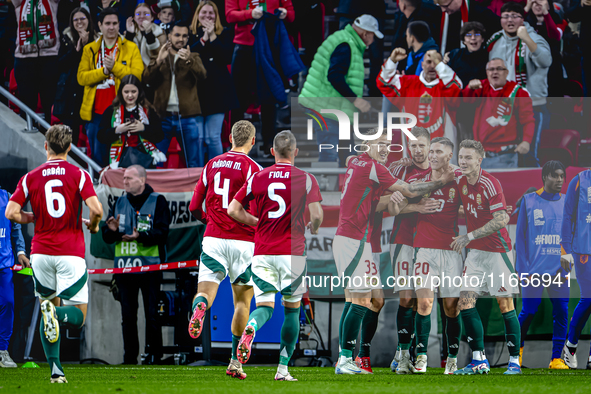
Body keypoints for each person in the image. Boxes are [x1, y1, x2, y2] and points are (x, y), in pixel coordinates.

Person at [334, 131, 455, 374]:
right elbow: (406, 193)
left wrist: (398, 199)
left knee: (372, 299)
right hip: (355, 239)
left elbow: (380, 202)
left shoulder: (362, 163)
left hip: (361, 240)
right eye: (381, 144)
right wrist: (435, 186)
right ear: (367, 144)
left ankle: (354, 357)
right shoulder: (376, 168)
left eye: (389, 145)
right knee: (361, 299)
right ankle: (348, 357)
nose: (387, 149)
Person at [5, 125, 103, 383]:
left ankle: (56, 371)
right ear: (70, 148)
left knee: (47, 304)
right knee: (77, 316)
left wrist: (31, 217)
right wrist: (92, 225)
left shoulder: (30, 177)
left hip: (41, 254)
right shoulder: (78, 174)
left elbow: (11, 213)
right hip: (70, 253)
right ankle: (55, 315)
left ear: (45, 146)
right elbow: (97, 210)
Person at [228, 131, 324, 381]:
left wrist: (256, 223)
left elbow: (233, 209)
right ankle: (282, 369)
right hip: (292, 254)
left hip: (263, 254)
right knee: (292, 311)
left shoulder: (257, 177)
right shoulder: (306, 178)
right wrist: (314, 227)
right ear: (296, 152)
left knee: (265, 308)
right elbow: (316, 215)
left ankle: (252, 327)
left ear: (272, 152)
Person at [187, 120, 262, 379]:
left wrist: (208, 220)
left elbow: (194, 205)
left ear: (229, 137)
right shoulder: (255, 168)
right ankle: (234, 362)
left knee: (205, 293)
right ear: (252, 141)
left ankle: (199, 308)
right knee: (242, 302)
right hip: (245, 242)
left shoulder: (211, 164)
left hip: (214, 239)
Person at [450, 139, 521, 375]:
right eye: (461, 157)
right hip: (476, 254)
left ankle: (514, 362)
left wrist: (468, 235)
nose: (463, 161)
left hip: (498, 251)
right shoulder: (460, 180)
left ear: (480, 160)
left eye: (468, 157)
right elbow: (469, 208)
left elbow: (502, 219)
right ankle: (479, 360)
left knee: (504, 304)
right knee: (465, 302)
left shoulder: (490, 183)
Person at [101, 165, 170, 365]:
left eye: (129, 178)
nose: (125, 182)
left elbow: (163, 233)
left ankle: (154, 356)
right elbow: (107, 235)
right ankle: (129, 358)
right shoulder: (119, 202)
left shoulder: (158, 201)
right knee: (128, 317)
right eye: (124, 179)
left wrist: (141, 236)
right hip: (124, 269)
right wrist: (112, 230)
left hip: (150, 268)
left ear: (142, 180)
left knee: (152, 315)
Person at [407, 137, 464, 375]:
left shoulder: (460, 180)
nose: (431, 155)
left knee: (451, 308)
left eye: (438, 152)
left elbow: (472, 206)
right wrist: (415, 206)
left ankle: (451, 358)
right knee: (424, 304)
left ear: (449, 156)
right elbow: (396, 203)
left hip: (451, 251)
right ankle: (421, 357)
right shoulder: (417, 180)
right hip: (425, 250)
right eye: (431, 151)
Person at [299, 14, 382, 165]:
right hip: (323, 107)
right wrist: (355, 100)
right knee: (329, 153)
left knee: (348, 155)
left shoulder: (346, 40)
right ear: (365, 34)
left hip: (333, 107)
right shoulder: (346, 45)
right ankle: (325, 187)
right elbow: (335, 76)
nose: (373, 40)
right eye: (373, 36)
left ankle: (348, 186)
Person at [387, 127, 438, 373]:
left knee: (424, 301)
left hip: (430, 243)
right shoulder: (399, 169)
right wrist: (417, 206)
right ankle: (403, 352)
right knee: (406, 299)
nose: (417, 150)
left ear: (430, 146)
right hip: (403, 239)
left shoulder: (443, 171)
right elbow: (387, 206)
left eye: (422, 146)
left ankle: (419, 354)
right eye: (413, 146)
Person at [516, 160, 569, 370]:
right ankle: (516, 354)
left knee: (562, 311)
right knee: (528, 311)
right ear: (544, 177)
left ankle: (556, 359)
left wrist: (570, 256)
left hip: (559, 270)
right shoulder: (528, 201)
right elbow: (520, 239)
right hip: (533, 270)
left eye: (562, 176)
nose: (559, 180)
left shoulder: (567, 202)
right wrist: (523, 270)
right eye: (555, 176)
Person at [226, 0, 294, 156]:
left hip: (268, 46)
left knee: (268, 97)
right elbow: (229, 15)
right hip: (244, 46)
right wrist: (249, 14)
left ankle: (269, 143)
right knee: (239, 98)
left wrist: (284, 13)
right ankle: (237, 144)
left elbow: (291, 14)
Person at [487, 2, 551, 167]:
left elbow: (546, 61)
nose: (510, 20)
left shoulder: (534, 38)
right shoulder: (495, 40)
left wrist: (527, 40)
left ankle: (535, 192)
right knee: (509, 156)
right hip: (505, 107)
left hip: (533, 106)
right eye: (506, 16)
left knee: (530, 155)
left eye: (515, 16)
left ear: (522, 19)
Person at [78, 7, 144, 168]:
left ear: (119, 25)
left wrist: (114, 68)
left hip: (122, 111)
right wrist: (103, 72)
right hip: (96, 113)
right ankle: (100, 192)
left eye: (115, 23)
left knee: (123, 158)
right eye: (107, 23)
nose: (111, 27)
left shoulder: (131, 47)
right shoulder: (90, 49)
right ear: (99, 25)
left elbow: (137, 76)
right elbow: (81, 78)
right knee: (97, 159)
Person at [144, 21, 207, 168]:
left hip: (188, 118)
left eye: (185, 36)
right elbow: (146, 79)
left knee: (194, 163)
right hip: (163, 116)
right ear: (169, 36)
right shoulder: (161, 54)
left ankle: (196, 191)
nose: (181, 39)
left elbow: (203, 75)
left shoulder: (194, 56)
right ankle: (157, 190)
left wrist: (189, 60)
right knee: (157, 161)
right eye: (177, 35)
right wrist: (159, 60)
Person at [462, 58, 535, 169]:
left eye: (499, 69)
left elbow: (528, 120)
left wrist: (526, 141)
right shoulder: (480, 87)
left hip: (506, 154)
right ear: (487, 73)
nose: (495, 72)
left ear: (507, 72)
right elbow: (465, 101)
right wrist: (469, 88)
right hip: (481, 154)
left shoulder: (519, 92)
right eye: (491, 69)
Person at [378, 48, 463, 143]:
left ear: (441, 65)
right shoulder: (407, 84)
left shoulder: (446, 87)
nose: (432, 66)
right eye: (429, 62)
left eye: (436, 62)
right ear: (422, 65)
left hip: (442, 152)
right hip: (414, 152)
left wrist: (440, 65)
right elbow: (383, 82)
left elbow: (457, 86)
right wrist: (392, 61)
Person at [190, 1, 239, 163]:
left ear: (216, 16)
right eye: (204, 12)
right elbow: (189, 55)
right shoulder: (189, 33)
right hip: (195, 93)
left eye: (211, 13)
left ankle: (218, 171)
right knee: (198, 138)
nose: (207, 16)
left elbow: (225, 57)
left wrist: (212, 37)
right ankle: (199, 173)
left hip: (217, 93)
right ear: (197, 14)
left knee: (212, 137)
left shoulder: (225, 33)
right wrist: (204, 39)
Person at [98, 74, 165, 169]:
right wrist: (117, 130)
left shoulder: (148, 110)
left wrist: (144, 128)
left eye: (133, 91)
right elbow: (101, 136)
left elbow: (160, 135)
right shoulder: (111, 111)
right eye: (126, 92)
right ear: (121, 92)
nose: (130, 95)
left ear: (139, 92)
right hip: (119, 161)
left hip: (144, 160)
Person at [560, 167, 591, 369]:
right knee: (588, 298)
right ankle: (570, 346)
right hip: (584, 252)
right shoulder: (579, 181)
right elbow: (567, 215)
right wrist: (566, 250)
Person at [54, 7, 98, 147]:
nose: (79, 22)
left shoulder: (98, 39)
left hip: (90, 90)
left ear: (88, 20)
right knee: (70, 135)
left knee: (92, 132)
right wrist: (76, 50)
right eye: (75, 20)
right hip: (70, 93)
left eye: (82, 19)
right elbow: (59, 65)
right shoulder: (65, 38)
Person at [12, 0, 61, 125]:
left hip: (49, 56)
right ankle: (27, 136)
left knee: (49, 103)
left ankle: (51, 137)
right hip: (24, 58)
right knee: (27, 104)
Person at [0, 186, 27, 368]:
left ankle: (2, 351)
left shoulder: (8, 197)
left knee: (8, 303)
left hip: (4, 264)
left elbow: (16, 228)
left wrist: (21, 252)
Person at [524, 0, 565, 97]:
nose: (538, 5)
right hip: (531, 67)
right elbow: (514, 21)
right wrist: (526, 8)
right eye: (534, 2)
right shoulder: (526, 23)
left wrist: (546, 14)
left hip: (552, 66)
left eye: (541, 1)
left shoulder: (559, 21)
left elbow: (555, 36)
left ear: (549, 5)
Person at [434, 0, 500, 53]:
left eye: (446, 6)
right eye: (440, 6)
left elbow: (498, 28)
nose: (443, 10)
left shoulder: (479, 12)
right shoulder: (438, 13)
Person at [444, 22, 488, 86]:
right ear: (464, 40)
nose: (473, 38)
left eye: (477, 34)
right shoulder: (454, 55)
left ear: (482, 39)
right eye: (468, 35)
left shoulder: (489, 56)